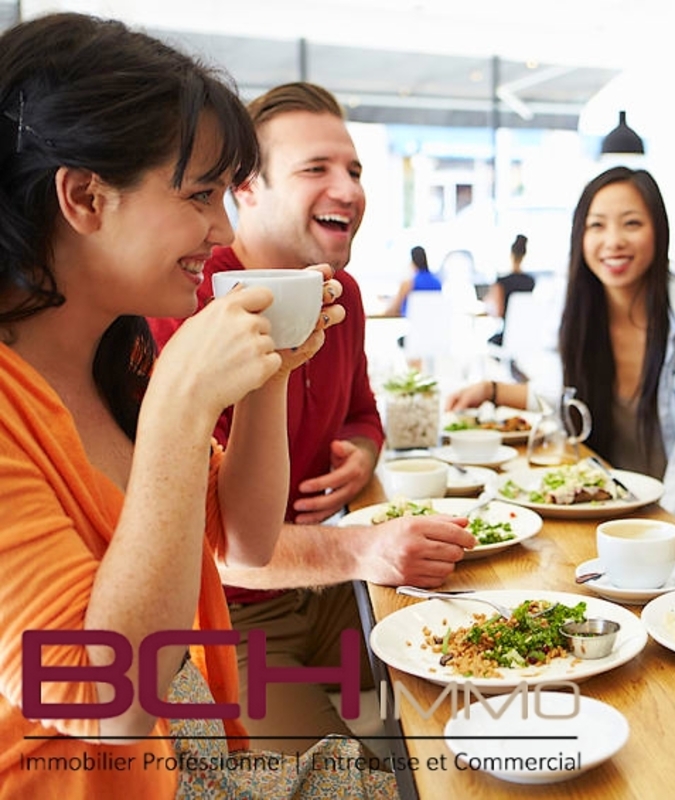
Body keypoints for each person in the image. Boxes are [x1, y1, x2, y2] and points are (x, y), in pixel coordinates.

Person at [0, 14, 399, 798]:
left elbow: (244, 541)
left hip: (195, 760)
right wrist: (180, 413)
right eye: (200, 195)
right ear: (84, 196)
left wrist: (272, 373)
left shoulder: (121, 358)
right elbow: (102, 696)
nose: (222, 226)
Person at [149, 82, 476, 754]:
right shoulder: (184, 300)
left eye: (354, 170)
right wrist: (363, 548)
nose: (349, 189)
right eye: (315, 169)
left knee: (478, 689)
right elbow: (219, 545)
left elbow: (364, 413)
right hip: (226, 620)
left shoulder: (342, 294)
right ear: (246, 190)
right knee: (352, 778)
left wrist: (361, 450)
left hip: (329, 588)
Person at [447, 167, 675, 520]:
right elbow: (568, 401)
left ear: (659, 232)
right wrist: (491, 390)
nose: (614, 240)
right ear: (580, 237)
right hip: (602, 508)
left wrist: (661, 538)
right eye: (597, 225)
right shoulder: (579, 317)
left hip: (671, 530)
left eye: (632, 223)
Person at [485, 233, 535, 345]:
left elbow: (497, 312)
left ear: (510, 254)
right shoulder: (531, 282)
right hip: (526, 337)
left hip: (506, 338)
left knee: (490, 343)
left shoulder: (501, 282)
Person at [381, 244, 441, 317]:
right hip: (432, 323)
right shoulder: (437, 282)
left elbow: (393, 309)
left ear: (412, 262)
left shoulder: (409, 283)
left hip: (412, 323)